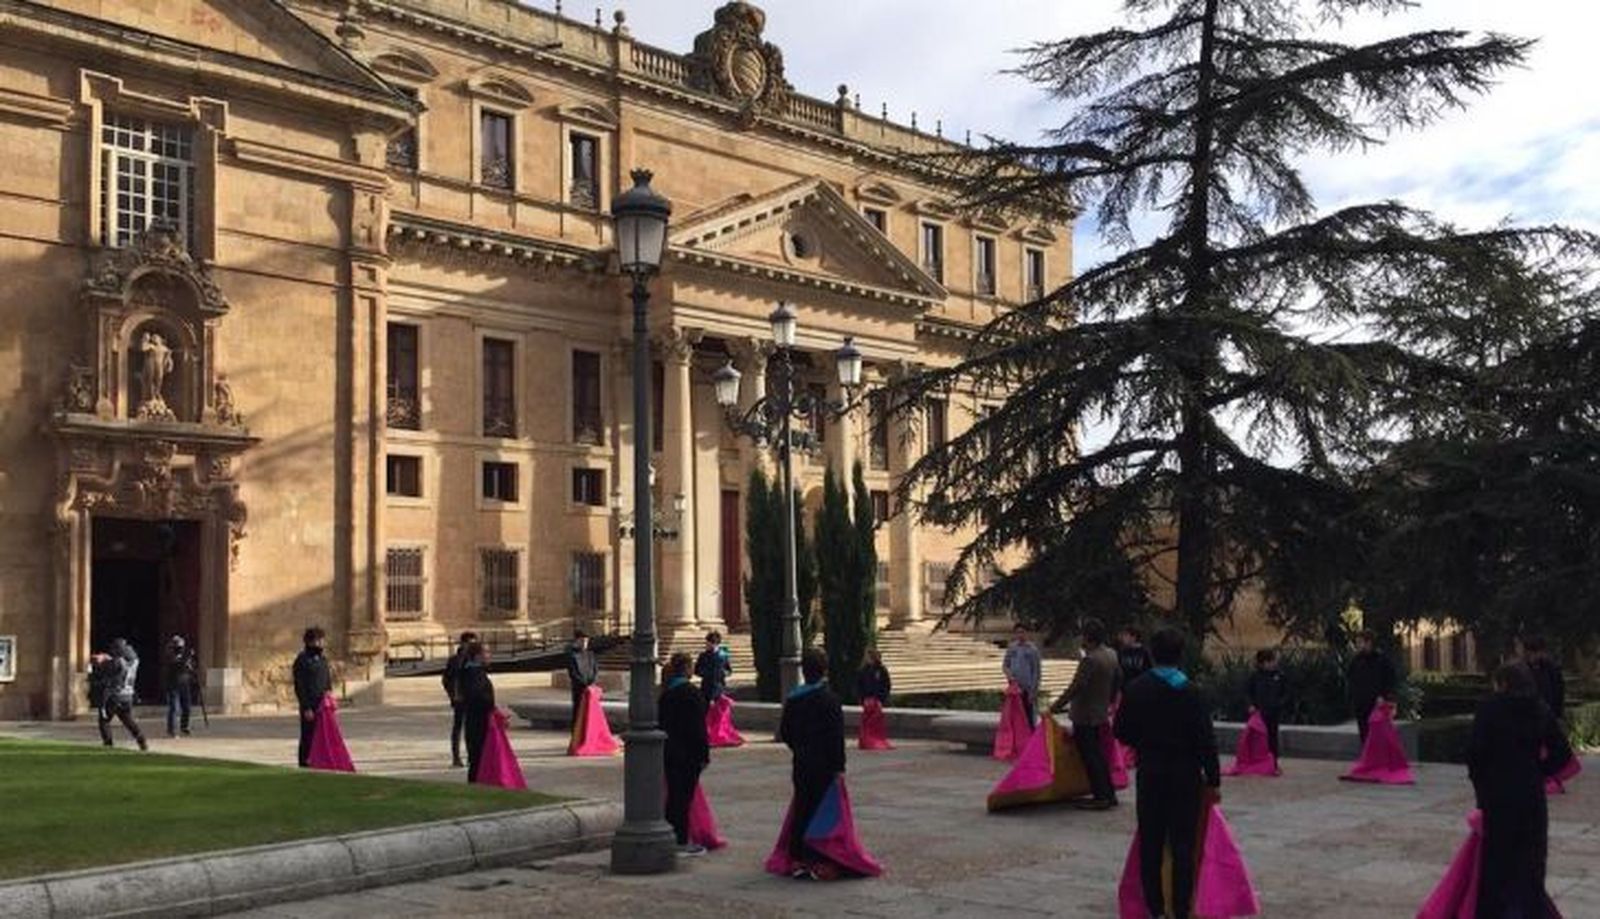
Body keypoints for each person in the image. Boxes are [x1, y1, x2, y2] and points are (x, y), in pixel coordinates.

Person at [1115, 628, 1221, 919]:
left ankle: (1155, 909)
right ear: (1180, 655)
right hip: (1185, 776)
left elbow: (1120, 731)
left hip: (1151, 772)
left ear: (1151, 653)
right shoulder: (1192, 692)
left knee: (1151, 841)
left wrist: (1144, 742)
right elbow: (1206, 740)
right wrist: (1213, 779)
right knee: (1183, 845)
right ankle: (1182, 909)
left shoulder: (1136, 689)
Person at [1467, 662, 1569, 918]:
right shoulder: (1539, 709)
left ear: (1502, 684)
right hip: (1530, 795)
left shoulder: (1489, 708)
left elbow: (1475, 754)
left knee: (1497, 863)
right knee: (1531, 863)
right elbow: (1562, 754)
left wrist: (1482, 791)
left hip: (1498, 795)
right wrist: (1538, 771)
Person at [779, 647, 847, 878]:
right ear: (825, 670)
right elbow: (836, 737)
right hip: (825, 765)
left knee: (802, 808)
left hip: (801, 763)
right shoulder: (829, 699)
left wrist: (800, 748)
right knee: (823, 812)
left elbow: (785, 732)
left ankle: (798, 859)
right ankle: (820, 859)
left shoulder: (794, 698)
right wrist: (839, 766)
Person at [1050, 617, 1121, 809]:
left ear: (1088, 638)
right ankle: (1108, 793)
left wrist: (1055, 707)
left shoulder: (1090, 660)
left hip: (1085, 714)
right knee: (1098, 755)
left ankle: (1101, 796)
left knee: (1091, 757)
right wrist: (1109, 702)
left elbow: (1076, 687)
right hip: (1100, 712)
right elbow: (1117, 680)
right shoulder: (1111, 654)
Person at [659, 651, 711, 856]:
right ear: (687, 669)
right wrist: (704, 755)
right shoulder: (691, 692)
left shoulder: (666, 693)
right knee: (683, 798)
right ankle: (681, 841)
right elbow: (699, 728)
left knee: (673, 796)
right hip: (688, 753)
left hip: (668, 751)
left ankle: (672, 836)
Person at [94, 639, 147, 751]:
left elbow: (108, 670)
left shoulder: (118, 662)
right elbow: (119, 662)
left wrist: (101, 662)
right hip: (128, 695)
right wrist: (108, 658)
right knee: (128, 719)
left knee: (104, 720)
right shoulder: (135, 661)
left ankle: (108, 744)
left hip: (115, 695)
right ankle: (141, 739)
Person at [293, 626, 333, 768]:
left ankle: (319, 760)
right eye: (319, 640)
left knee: (322, 735)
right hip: (309, 704)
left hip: (322, 703)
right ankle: (304, 762)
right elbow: (300, 686)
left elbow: (327, 679)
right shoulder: (302, 660)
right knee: (308, 735)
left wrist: (329, 695)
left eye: (322, 640)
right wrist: (306, 707)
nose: (322, 643)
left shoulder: (322, 659)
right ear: (311, 642)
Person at [1346, 630, 1396, 744]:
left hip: (1377, 703)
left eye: (1360, 642)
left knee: (1377, 734)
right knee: (1364, 733)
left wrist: (1384, 695)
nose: (1358, 645)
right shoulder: (1356, 661)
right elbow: (1351, 678)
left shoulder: (1381, 660)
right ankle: (1366, 758)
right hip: (1361, 703)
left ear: (1369, 643)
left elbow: (1390, 679)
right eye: (1357, 642)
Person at [457, 641, 496, 784]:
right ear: (478, 656)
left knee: (479, 756)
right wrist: (491, 708)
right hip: (478, 721)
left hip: (478, 720)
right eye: (486, 652)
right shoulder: (473, 673)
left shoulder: (474, 672)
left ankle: (480, 781)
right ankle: (476, 783)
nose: (489, 655)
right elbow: (477, 696)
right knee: (477, 756)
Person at [442, 630, 478, 768]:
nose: (471, 646)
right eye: (470, 644)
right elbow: (447, 679)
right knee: (458, 728)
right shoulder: (454, 660)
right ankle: (456, 756)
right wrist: (453, 694)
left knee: (472, 729)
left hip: (473, 699)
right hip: (460, 699)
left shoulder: (474, 659)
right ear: (463, 643)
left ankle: (471, 756)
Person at [1247, 648, 1286, 768]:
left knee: (1272, 738)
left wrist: (1279, 704)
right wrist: (1251, 705)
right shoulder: (1254, 676)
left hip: (1274, 712)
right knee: (1259, 739)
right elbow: (1248, 692)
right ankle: (1258, 761)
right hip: (1259, 713)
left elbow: (1285, 692)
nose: (1275, 663)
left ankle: (1273, 762)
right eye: (1272, 661)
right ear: (1264, 662)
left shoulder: (1280, 675)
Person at [1003, 624, 1042, 728]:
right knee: (1015, 718)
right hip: (1014, 689)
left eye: (1022, 632)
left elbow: (1036, 672)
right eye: (1018, 632)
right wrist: (1009, 675)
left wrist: (1033, 691)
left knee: (1028, 717)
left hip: (1027, 689)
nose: (1020, 635)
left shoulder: (1033, 650)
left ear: (1027, 633)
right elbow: (1005, 665)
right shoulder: (1012, 648)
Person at [1521, 636, 1566, 725]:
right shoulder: (1523, 668)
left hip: (1548, 711)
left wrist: (1558, 714)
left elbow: (1559, 692)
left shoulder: (1551, 668)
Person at [162, 635, 199, 738]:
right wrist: (187, 658)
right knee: (174, 708)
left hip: (184, 684)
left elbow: (189, 667)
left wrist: (192, 669)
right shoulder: (170, 655)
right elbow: (178, 665)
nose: (179, 649)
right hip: (173, 685)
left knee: (187, 707)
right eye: (177, 646)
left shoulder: (184, 656)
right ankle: (172, 730)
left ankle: (184, 727)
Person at [566, 630, 599, 726]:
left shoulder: (590, 655)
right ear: (577, 641)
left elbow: (595, 669)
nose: (585, 644)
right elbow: (573, 673)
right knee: (578, 712)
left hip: (590, 689)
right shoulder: (572, 655)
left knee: (590, 713)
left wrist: (592, 682)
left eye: (586, 641)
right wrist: (584, 684)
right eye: (582, 641)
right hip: (579, 689)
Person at [694, 631, 732, 702]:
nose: (706, 645)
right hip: (706, 688)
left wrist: (724, 673)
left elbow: (729, 670)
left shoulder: (723, 655)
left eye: (708, 643)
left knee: (718, 710)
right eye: (706, 643)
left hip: (719, 688)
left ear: (715, 644)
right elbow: (697, 670)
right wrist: (705, 673)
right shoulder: (703, 656)